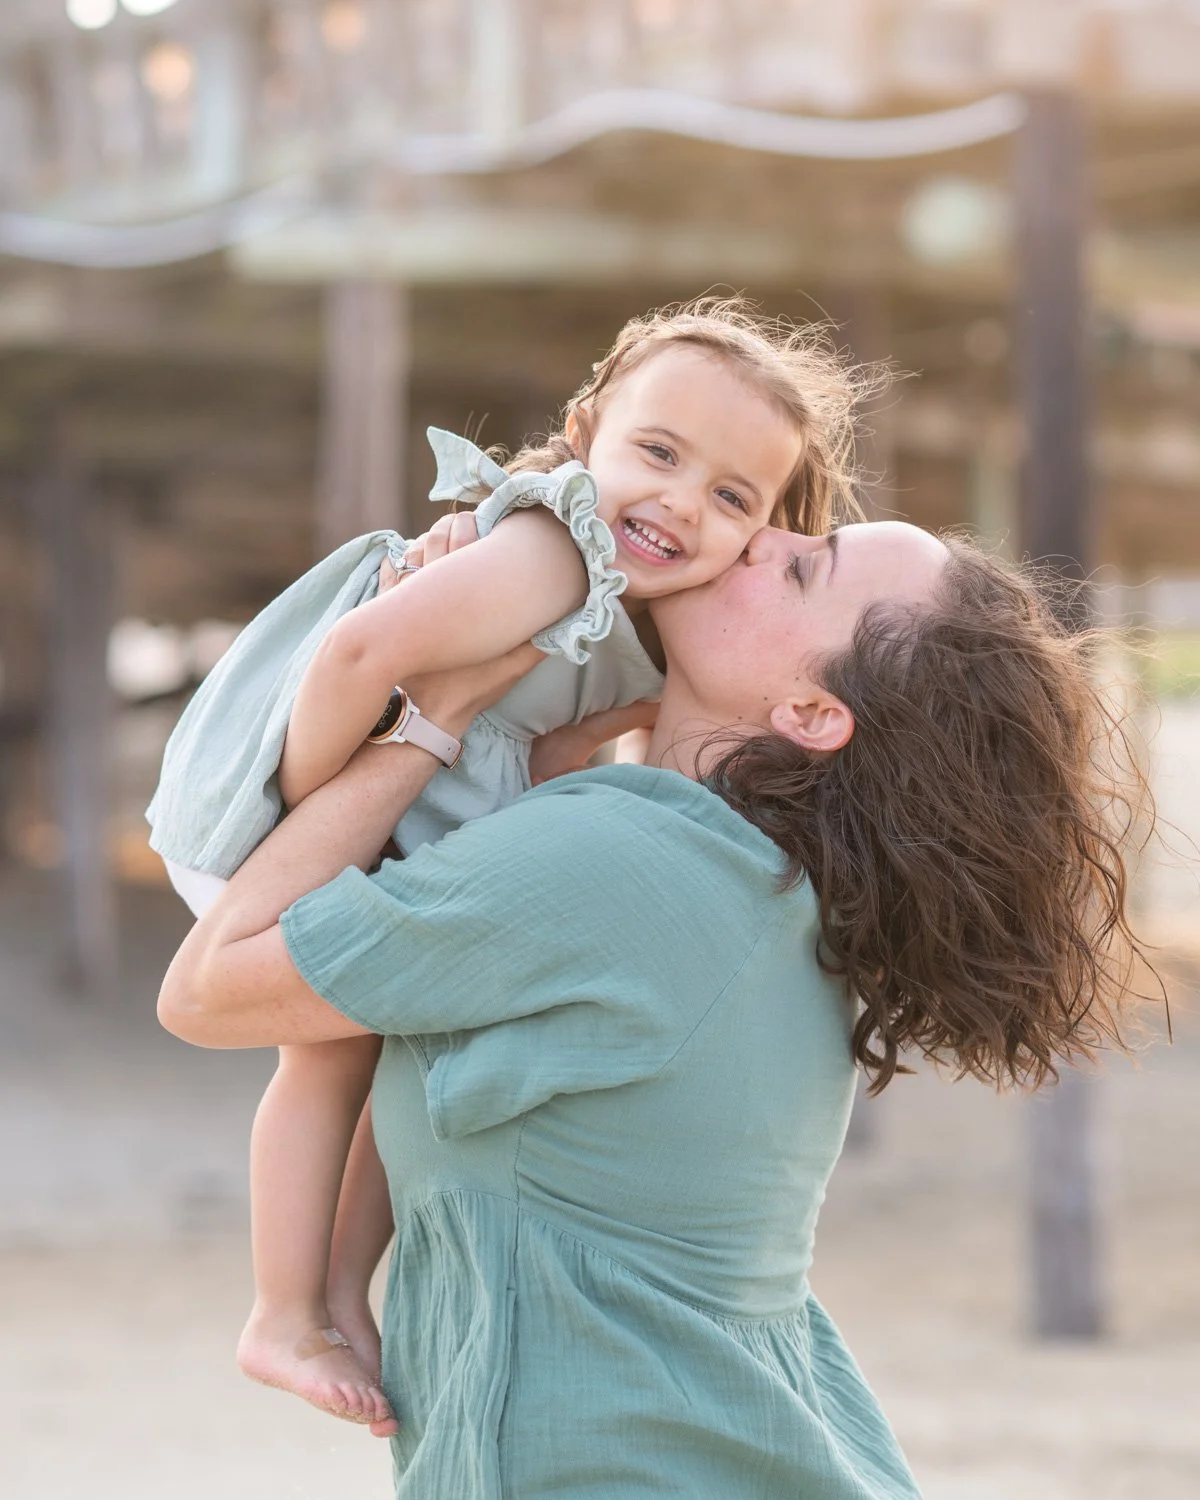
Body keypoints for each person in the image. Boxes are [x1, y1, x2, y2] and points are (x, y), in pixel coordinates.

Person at [158, 518, 1154, 1497]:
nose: (763, 535)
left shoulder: (625, 866)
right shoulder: (746, 883)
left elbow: (209, 987)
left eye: (805, 570)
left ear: (812, 714)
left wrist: (432, 718)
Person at [145, 297, 875, 1428]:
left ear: (763, 530)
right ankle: (284, 1310)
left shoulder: (637, 601)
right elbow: (359, 648)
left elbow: (550, 739)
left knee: (402, 1053)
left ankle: (334, 1292)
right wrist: (317, 815)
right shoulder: (556, 547)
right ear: (586, 433)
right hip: (307, 778)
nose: (682, 502)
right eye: (659, 452)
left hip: (417, 788)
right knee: (326, 1065)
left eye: (731, 496)